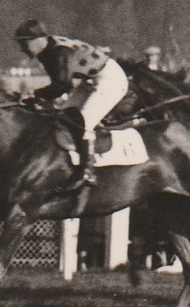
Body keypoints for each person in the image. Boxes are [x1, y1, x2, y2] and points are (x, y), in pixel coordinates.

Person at [14, 18, 129, 187]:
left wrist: (33, 95)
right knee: (64, 118)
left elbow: (62, 86)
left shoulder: (57, 52)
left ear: (36, 39)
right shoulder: (47, 49)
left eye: (24, 43)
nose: (22, 49)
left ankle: (87, 172)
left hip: (110, 79)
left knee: (82, 122)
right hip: (92, 79)